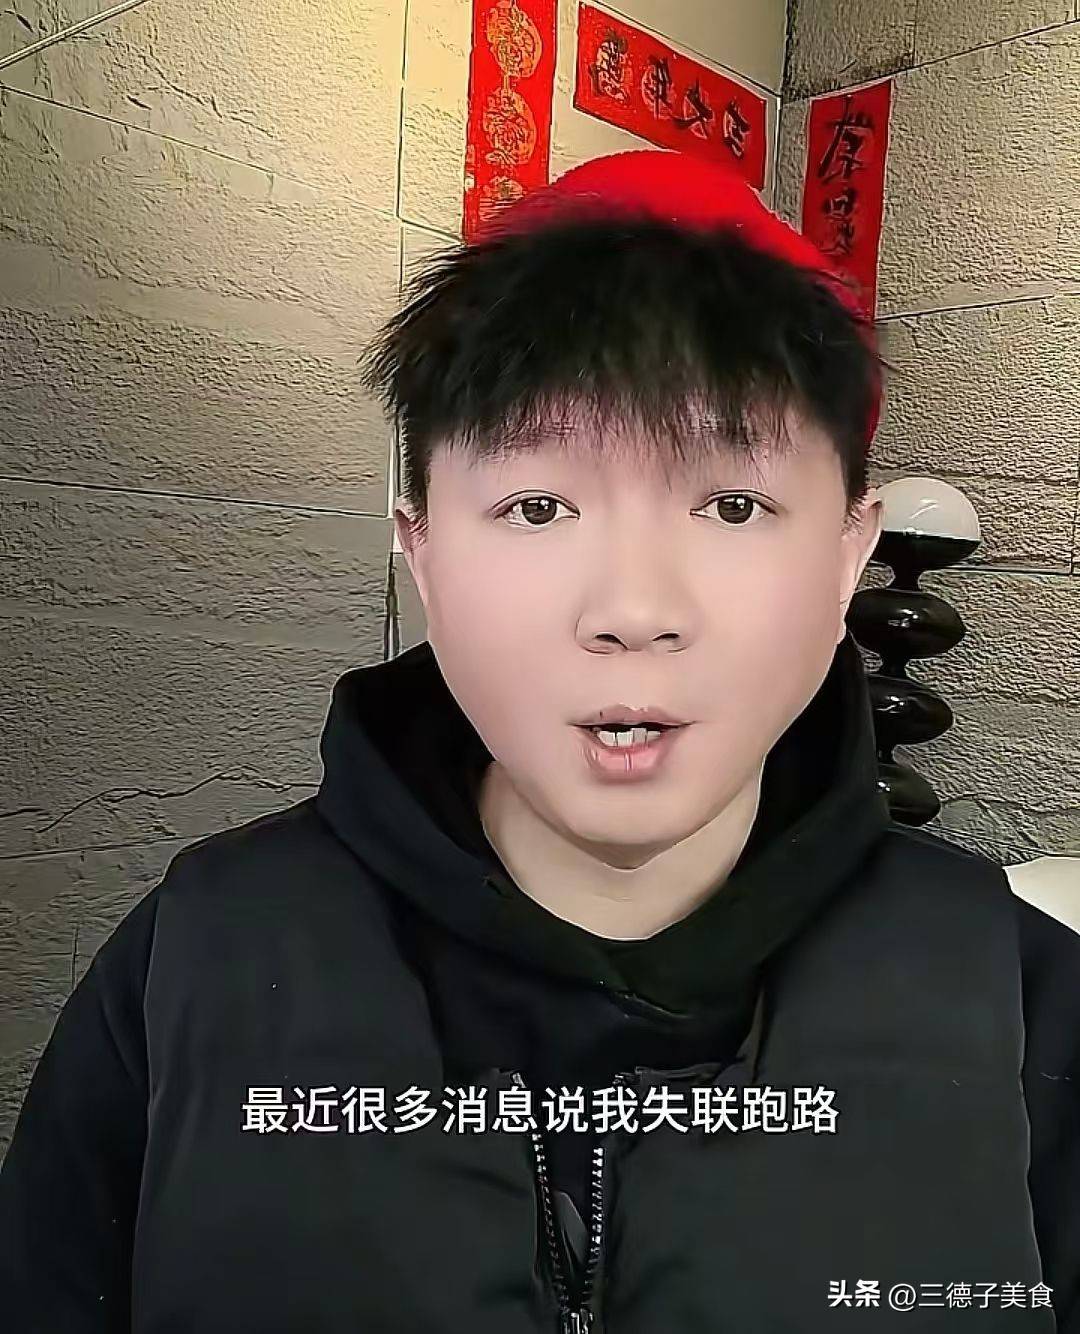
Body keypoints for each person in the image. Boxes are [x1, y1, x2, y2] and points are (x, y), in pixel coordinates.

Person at [1, 149, 1077, 1332]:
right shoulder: (193, 962)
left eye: (732, 504)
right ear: (421, 553)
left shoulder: (1025, 998)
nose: (632, 607)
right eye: (537, 505)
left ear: (847, 558)